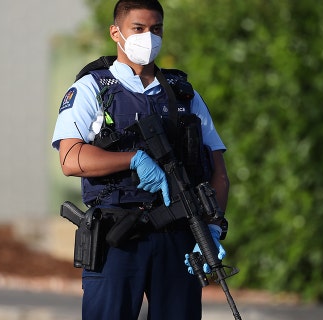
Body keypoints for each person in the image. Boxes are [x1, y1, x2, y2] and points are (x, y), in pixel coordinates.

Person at [51, 1, 230, 319]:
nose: (149, 37)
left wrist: (213, 230)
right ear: (115, 32)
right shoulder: (93, 89)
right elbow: (71, 158)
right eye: (139, 28)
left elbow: (218, 170)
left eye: (156, 29)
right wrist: (133, 159)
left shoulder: (184, 93)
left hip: (178, 236)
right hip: (118, 236)